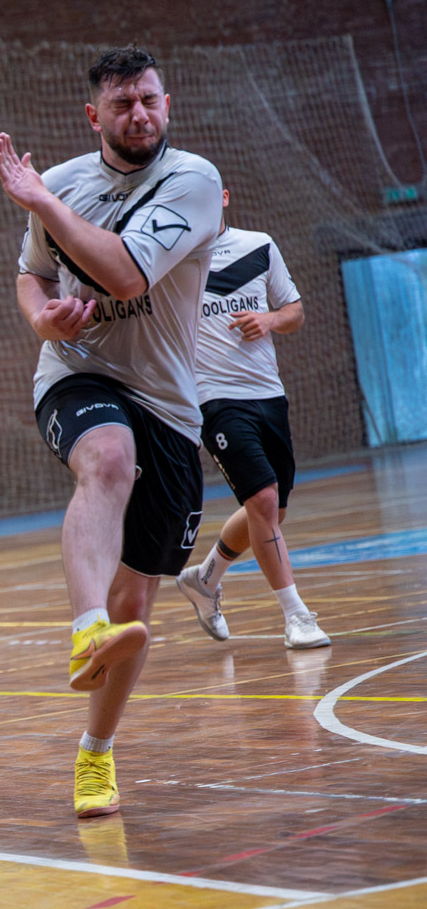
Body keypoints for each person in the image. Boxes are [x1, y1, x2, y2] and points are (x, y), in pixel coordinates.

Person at [0, 47, 223, 818]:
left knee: (137, 602)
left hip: (168, 403)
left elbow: (124, 274)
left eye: (149, 100)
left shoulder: (191, 182)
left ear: (167, 104)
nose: (139, 115)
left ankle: (94, 751)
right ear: (93, 116)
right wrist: (42, 318)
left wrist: (41, 203)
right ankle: (83, 629)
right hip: (77, 372)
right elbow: (33, 273)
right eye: (122, 104)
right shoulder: (59, 183)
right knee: (106, 460)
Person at [174, 189, 329, 649]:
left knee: (272, 511)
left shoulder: (259, 245)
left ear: (223, 197)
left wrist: (268, 320)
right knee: (262, 500)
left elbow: (294, 312)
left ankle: (204, 579)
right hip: (213, 399)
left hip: (268, 394)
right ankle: (296, 616)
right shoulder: (172, 263)